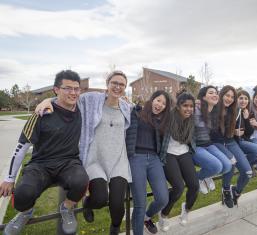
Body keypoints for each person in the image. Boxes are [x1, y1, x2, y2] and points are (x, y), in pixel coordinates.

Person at [34, 70, 132, 235]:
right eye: (114, 83)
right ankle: (88, 204)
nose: (117, 87)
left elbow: (144, 110)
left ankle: (114, 228)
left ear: (125, 87)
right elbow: (68, 98)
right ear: (107, 84)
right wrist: (47, 100)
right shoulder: (92, 100)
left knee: (118, 206)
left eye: (121, 84)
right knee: (100, 199)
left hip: (118, 161)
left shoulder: (126, 107)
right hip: (95, 159)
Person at [0, 70, 89, 235]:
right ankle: (25, 212)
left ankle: (67, 208)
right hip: (41, 164)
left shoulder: (83, 109)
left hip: (69, 162)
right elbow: (22, 147)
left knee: (82, 181)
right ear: (56, 89)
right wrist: (9, 178)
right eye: (68, 88)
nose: (73, 93)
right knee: (22, 195)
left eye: (77, 89)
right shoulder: (41, 113)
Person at [126, 90, 170, 235]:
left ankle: (147, 217)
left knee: (163, 198)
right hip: (135, 158)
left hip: (154, 159)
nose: (160, 105)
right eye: (158, 100)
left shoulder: (161, 120)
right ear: (152, 100)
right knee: (140, 204)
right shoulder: (135, 112)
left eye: (164, 103)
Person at [158, 91, 199, 231]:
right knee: (178, 187)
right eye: (185, 106)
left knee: (194, 186)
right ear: (178, 106)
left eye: (191, 106)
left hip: (184, 152)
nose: (188, 109)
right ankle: (163, 214)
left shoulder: (192, 119)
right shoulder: (168, 117)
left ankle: (186, 209)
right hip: (168, 153)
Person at [210, 85, 253, 207]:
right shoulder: (212, 109)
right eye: (227, 95)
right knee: (232, 161)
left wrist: (235, 132)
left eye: (232, 97)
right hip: (216, 143)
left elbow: (242, 129)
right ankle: (226, 189)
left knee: (248, 172)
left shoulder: (234, 111)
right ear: (221, 95)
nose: (229, 99)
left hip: (230, 142)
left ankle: (237, 192)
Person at [192, 86, 232, 195]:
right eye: (210, 93)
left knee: (227, 166)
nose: (215, 95)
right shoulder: (196, 109)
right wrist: (194, 103)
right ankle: (198, 178)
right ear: (203, 97)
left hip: (209, 145)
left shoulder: (214, 111)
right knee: (216, 166)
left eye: (215, 92)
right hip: (196, 146)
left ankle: (206, 175)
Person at [235, 90, 257, 173]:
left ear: (248, 101)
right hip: (236, 141)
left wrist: (246, 118)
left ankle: (245, 164)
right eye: (241, 98)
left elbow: (250, 132)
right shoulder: (234, 111)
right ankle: (243, 165)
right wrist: (234, 132)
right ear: (236, 99)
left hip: (244, 139)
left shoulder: (248, 112)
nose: (243, 101)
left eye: (246, 98)